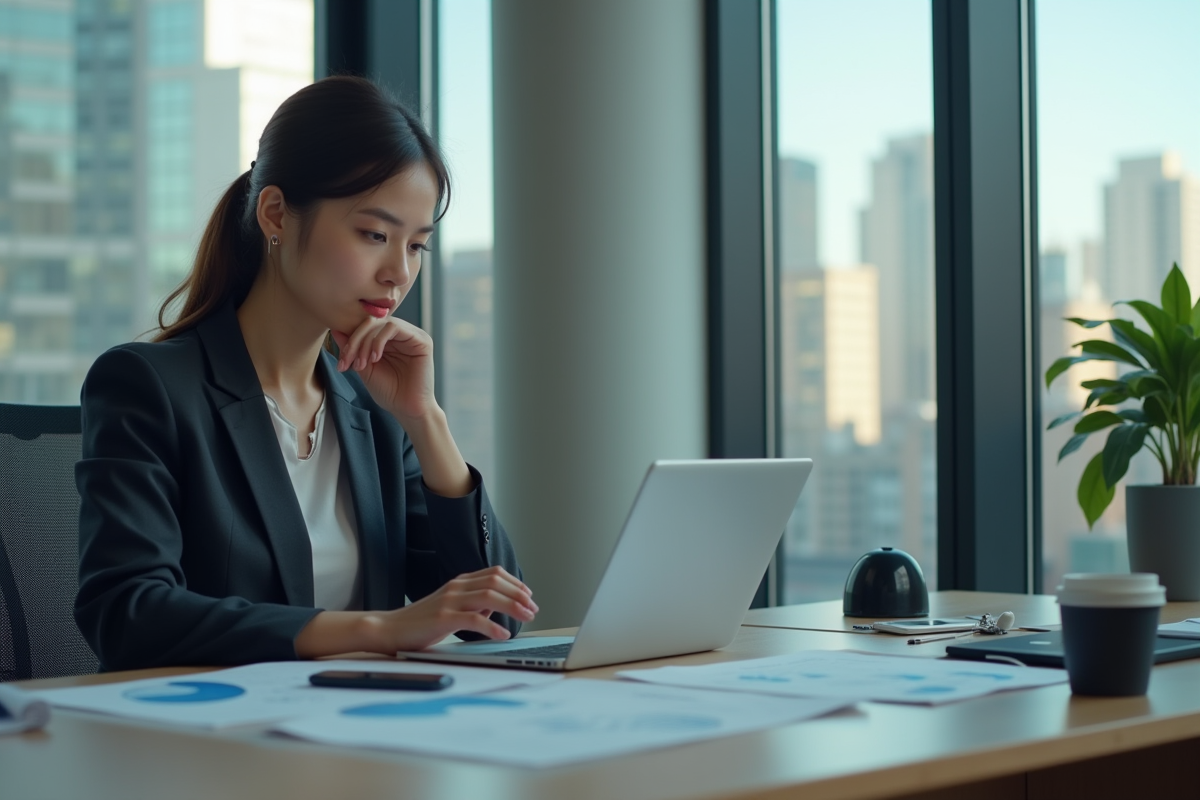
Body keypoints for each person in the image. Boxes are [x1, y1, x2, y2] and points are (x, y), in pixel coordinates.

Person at [74, 76, 536, 671]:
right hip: (211, 740)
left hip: (358, 735)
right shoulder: (149, 386)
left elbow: (501, 619)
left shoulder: (375, 409)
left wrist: (427, 421)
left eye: (417, 245)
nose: (398, 272)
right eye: (374, 234)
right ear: (276, 215)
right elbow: (127, 612)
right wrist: (379, 628)